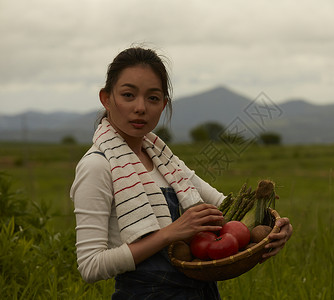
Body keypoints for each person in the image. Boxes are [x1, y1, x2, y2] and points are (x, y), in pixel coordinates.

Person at [70, 47, 293, 299]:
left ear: (164, 104)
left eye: (153, 98)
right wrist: (170, 233)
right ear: (106, 98)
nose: (140, 107)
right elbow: (90, 266)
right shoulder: (97, 166)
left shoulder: (166, 161)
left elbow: (225, 210)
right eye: (128, 95)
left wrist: (273, 227)